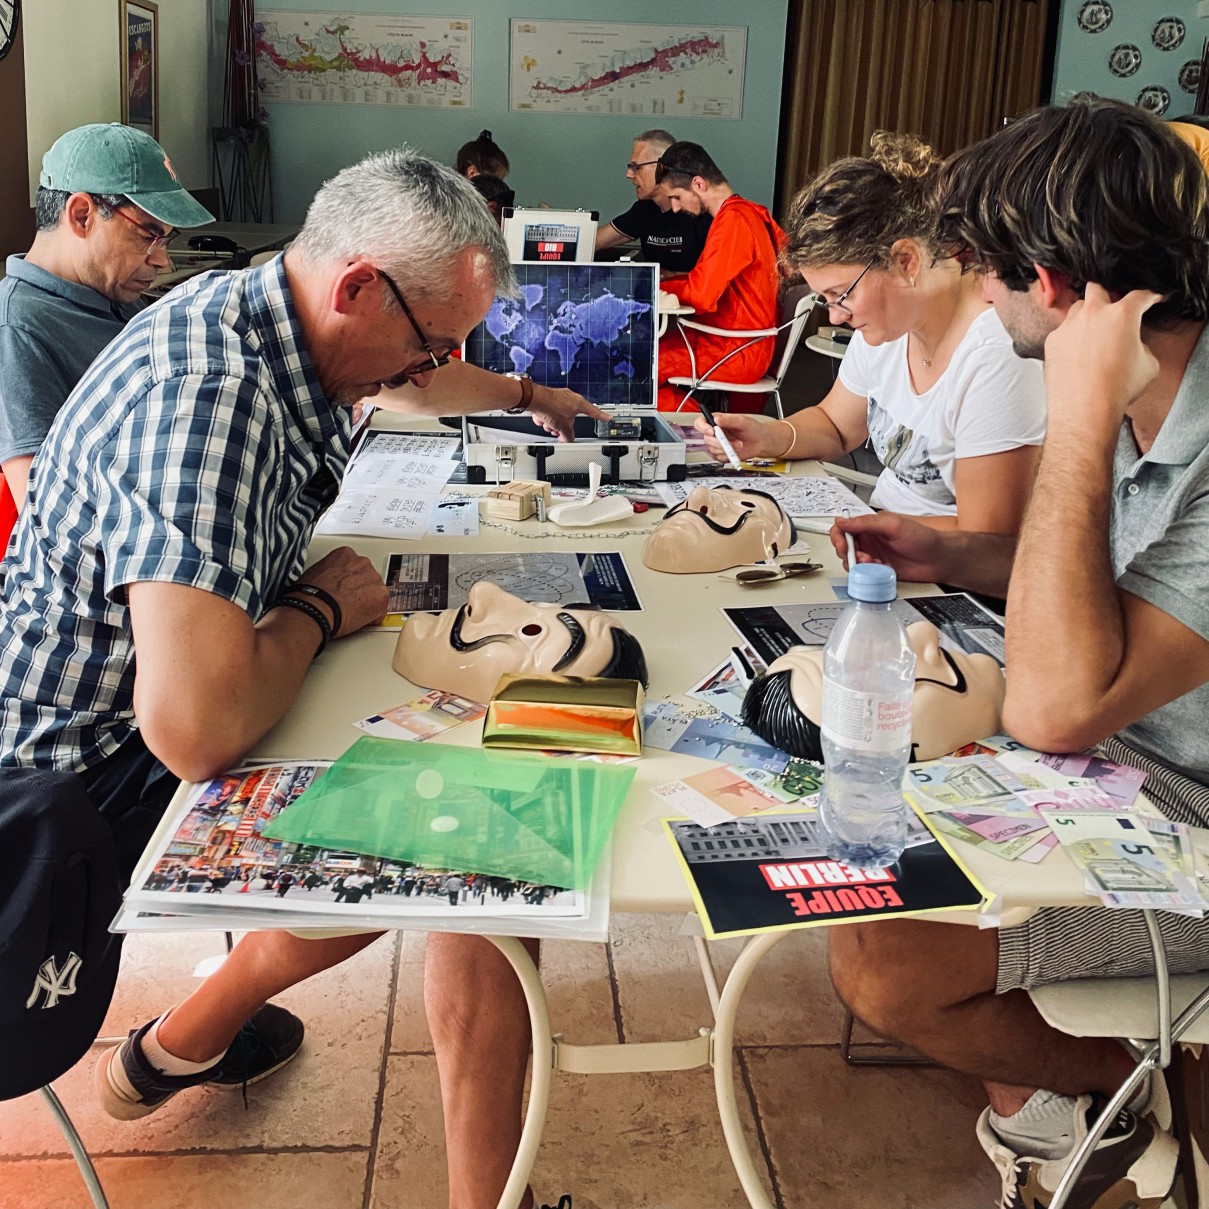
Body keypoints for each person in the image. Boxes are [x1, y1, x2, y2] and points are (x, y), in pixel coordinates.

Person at [0, 146, 599, 1209]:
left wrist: (525, 391)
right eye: (422, 350)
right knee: (489, 825)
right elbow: (195, 727)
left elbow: (425, 368)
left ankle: (182, 1040)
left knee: (453, 787)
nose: (424, 377)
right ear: (355, 286)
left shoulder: (272, 313)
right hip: (86, 791)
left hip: (162, 707)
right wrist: (325, 607)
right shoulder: (205, 398)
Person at [826, 97, 1209, 1208]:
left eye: (987, 279)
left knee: (884, 964)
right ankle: (1104, 1096)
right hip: (1117, 751)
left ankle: (1142, 1089)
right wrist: (951, 554)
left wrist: (1081, 410)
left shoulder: (1133, 410)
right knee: (841, 800)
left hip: (1183, 801)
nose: (981, 304)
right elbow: (1091, 604)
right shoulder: (1151, 392)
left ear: (1047, 283)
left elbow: (1055, 705)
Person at [698, 132, 1046, 534]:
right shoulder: (890, 325)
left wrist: (856, 526)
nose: (835, 317)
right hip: (885, 540)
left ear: (906, 261)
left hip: (947, 576)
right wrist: (766, 436)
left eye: (841, 295)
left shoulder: (997, 350)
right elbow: (836, 425)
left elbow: (987, 537)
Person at [0, 122, 214, 546]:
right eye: (149, 236)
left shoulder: (118, 298)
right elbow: (50, 519)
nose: (164, 263)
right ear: (82, 215)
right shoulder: (18, 331)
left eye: (167, 240)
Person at [652, 142, 785, 413]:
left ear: (698, 184)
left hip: (737, 351)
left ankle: (707, 431)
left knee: (637, 364)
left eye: (676, 196)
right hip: (746, 343)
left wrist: (652, 289)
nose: (675, 208)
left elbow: (701, 294)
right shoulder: (752, 212)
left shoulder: (734, 221)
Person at [594, 129, 712, 273]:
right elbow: (592, 242)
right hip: (660, 293)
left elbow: (717, 277)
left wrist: (667, 276)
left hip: (691, 294)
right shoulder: (644, 209)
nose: (629, 175)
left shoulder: (706, 212)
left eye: (636, 167)